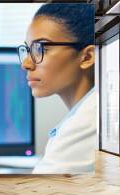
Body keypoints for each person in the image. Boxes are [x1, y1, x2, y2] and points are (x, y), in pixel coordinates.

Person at [17, 3, 97, 174]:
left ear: (87, 57)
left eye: (41, 48)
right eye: (28, 49)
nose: (26, 63)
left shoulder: (87, 124)